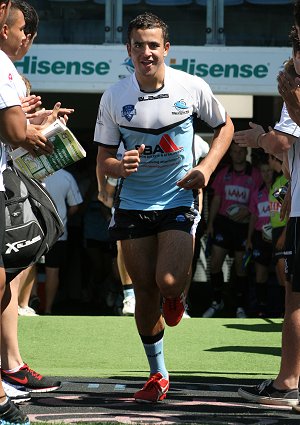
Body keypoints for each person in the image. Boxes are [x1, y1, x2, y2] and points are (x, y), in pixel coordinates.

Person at [95, 12, 234, 403]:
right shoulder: (115, 96)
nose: (146, 52)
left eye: (153, 45)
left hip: (177, 196)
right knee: (144, 292)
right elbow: (102, 159)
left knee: (168, 283)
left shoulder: (190, 87)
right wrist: (117, 166)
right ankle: (158, 374)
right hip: (133, 202)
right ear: (128, 50)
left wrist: (205, 169)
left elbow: (226, 127)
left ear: (166, 49)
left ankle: (178, 296)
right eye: (138, 45)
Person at [0, 0, 71, 400]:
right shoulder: (2, 65)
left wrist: (31, 124)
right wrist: (37, 134)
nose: (25, 37)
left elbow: (11, 129)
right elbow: (13, 134)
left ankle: (10, 368)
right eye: (22, 28)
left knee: (5, 279)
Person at [234, 22, 300, 406]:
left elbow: (282, 140)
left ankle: (288, 381)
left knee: (295, 297)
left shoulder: (296, 89)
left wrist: (258, 138)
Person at [203, 143, 262, 319]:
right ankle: (217, 301)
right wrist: (211, 223)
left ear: (246, 152)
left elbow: (259, 200)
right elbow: (216, 199)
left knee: (240, 268)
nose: (238, 154)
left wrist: (247, 211)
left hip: (244, 227)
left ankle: (240, 307)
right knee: (214, 263)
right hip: (224, 223)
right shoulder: (224, 173)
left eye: (241, 151)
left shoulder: (255, 175)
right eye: (235, 151)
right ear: (231, 154)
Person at [43, 169, 83, 314]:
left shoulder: (32, 172)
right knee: (52, 271)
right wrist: (63, 215)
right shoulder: (66, 176)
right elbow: (75, 205)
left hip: (33, 231)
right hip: (58, 232)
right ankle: (48, 309)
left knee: (29, 269)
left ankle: (27, 302)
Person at [245, 156, 273, 318]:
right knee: (260, 273)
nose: (266, 174)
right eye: (263, 171)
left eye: (269, 170)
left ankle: (284, 309)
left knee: (283, 274)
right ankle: (261, 308)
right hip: (259, 237)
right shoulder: (257, 192)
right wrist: (249, 238)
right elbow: (253, 216)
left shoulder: (280, 190)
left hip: (277, 236)